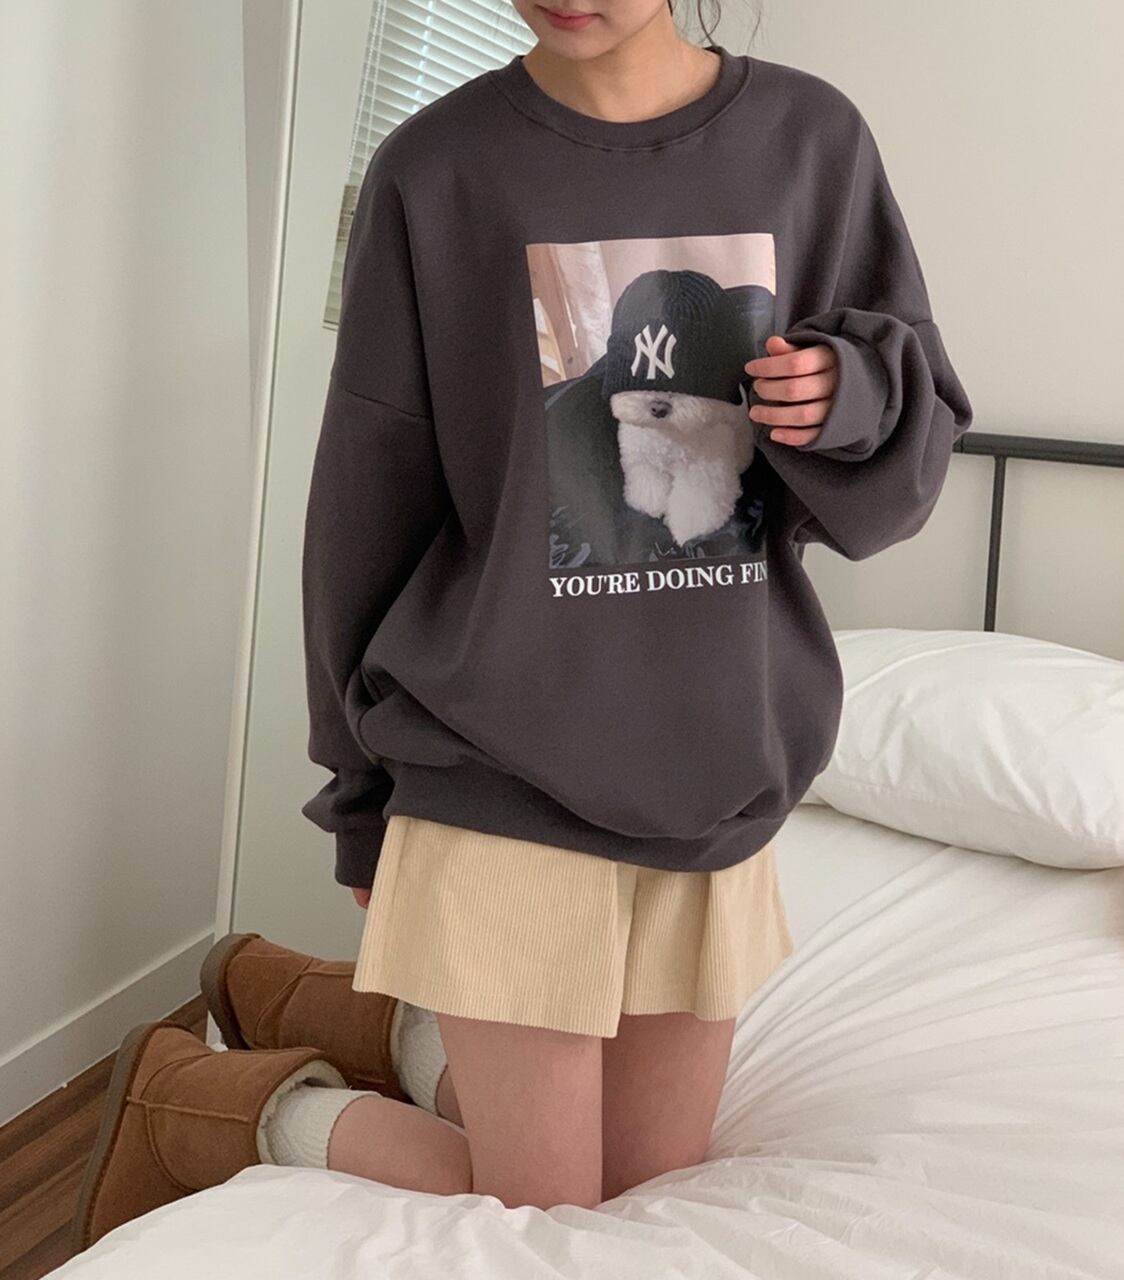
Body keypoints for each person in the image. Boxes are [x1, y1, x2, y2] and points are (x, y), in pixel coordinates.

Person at [73, 0, 973, 1250]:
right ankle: (235, 1105)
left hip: (712, 763)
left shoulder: (808, 141)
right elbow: (368, 497)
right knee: (556, 1214)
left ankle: (367, 1024)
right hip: (493, 760)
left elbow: (910, 437)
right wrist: (356, 790)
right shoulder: (435, 170)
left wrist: (848, 394)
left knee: (655, 1196)